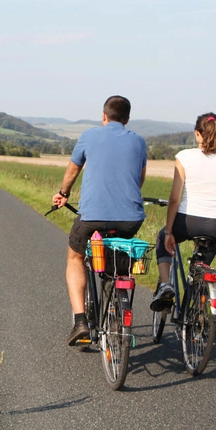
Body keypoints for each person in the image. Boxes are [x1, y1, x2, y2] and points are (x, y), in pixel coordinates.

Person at [53, 95, 148, 346]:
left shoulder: (89, 136)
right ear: (127, 119)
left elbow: (73, 170)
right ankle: (116, 303)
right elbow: (139, 178)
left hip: (92, 217)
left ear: (104, 116)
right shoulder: (138, 141)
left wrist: (63, 193)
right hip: (131, 219)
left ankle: (80, 322)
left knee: (75, 257)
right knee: (118, 257)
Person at [150, 113, 216, 311]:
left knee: (161, 238)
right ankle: (197, 309)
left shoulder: (184, 156)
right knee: (202, 268)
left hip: (188, 222)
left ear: (197, 133)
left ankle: (166, 285)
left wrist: (169, 231)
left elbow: (174, 198)